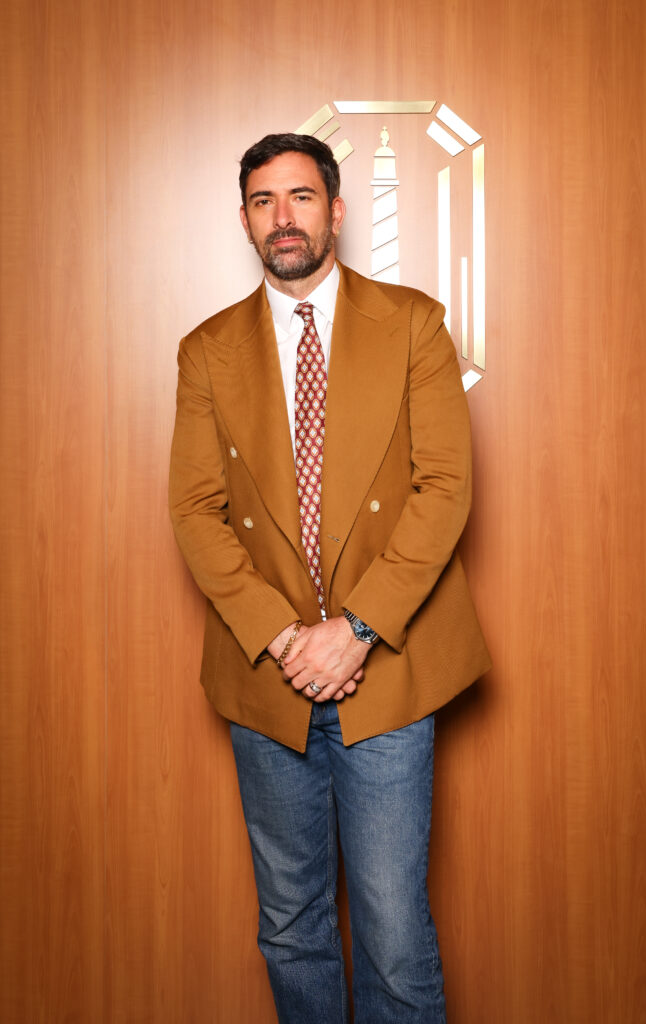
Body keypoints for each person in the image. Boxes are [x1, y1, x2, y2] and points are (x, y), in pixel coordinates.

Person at [169, 132, 491, 1023]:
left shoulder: (414, 324)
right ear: (244, 220)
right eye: (263, 201)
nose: (283, 217)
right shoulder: (206, 350)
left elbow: (444, 489)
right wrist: (286, 639)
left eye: (301, 197)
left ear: (337, 210)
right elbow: (194, 510)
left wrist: (352, 631)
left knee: (391, 928)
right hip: (266, 676)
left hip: (386, 668)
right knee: (290, 923)